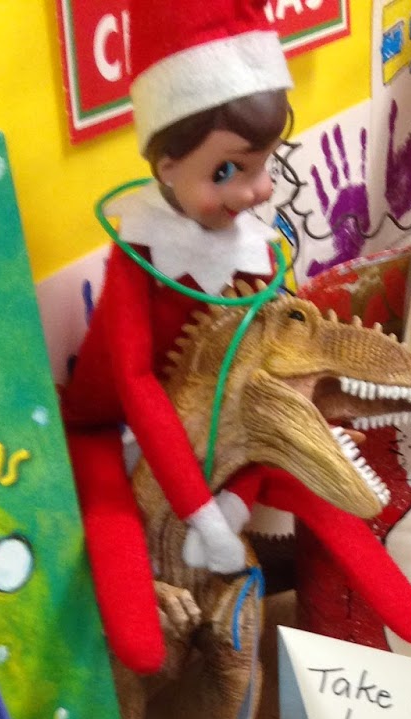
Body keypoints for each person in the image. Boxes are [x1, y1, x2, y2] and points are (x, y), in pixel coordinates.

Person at [61, 0, 293, 675]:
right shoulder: (138, 253)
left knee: (307, 465)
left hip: (205, 422)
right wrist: (203, 514)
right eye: (226, 171)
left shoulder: (254, 248)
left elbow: (264, 370)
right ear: (166, 165)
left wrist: (239, 497)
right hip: (107, 425)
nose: (255, 191)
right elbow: (134, 385)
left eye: (264, 165)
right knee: (132, 622)